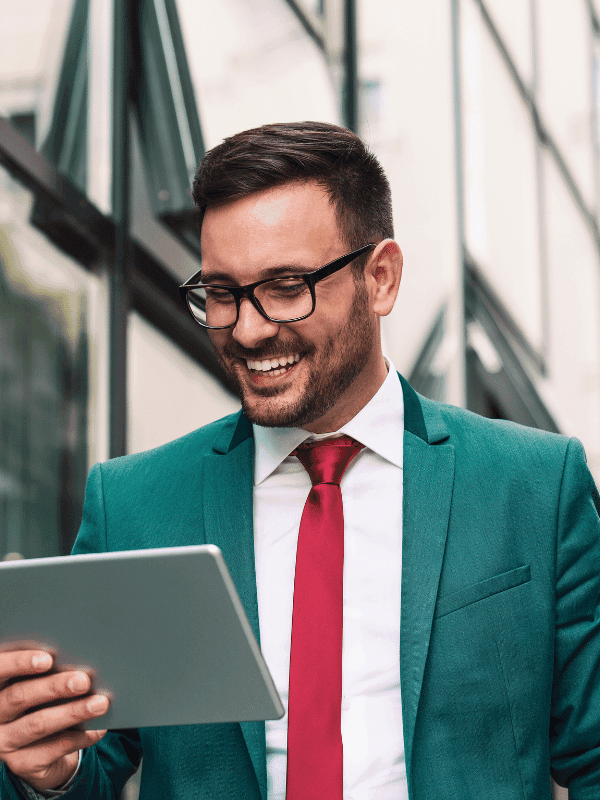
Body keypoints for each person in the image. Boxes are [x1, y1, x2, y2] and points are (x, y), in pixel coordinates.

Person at [1, 121, 599, 800]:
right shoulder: (134, 504)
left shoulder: (534, 486)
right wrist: (49, 774)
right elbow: (93, 761)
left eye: (286, 286)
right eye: (221, 294)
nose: (248, 329)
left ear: (381, 278)